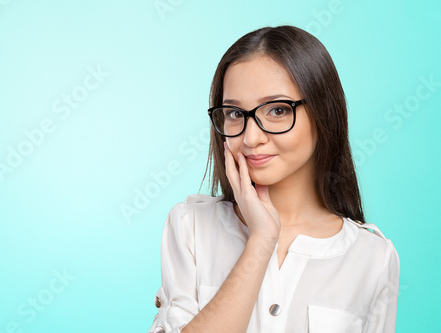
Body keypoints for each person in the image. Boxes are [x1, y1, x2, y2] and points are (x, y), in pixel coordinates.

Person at [148, 25, 400, 333]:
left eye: (278, 110)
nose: (251, 138)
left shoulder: (372, 257)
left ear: (323, 112)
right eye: (235, 114)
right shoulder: (191, 227)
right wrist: (262, 239)